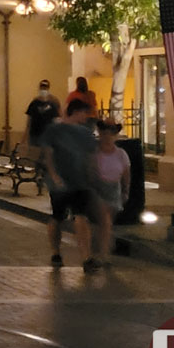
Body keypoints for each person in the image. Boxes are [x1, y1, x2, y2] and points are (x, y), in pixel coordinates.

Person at [39, 98, 102, 272]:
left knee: (81, 216)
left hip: (80, 181)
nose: (86, 117)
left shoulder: (86, 132)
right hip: (60, 183)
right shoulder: (55, 130)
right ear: (75, 112)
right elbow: (49, 155)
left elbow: (91, 157)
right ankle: (56, 252)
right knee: (57, 217)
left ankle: (86, 257)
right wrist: (54, 176)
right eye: (84, 113)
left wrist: (92, 177)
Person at [94, 118, 131, 265]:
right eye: (105, 133)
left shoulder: (121, 154)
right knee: (106, 221)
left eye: (111, 133)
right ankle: (105, 254)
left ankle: (103, 247)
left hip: (114, 188)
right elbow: (91, 170)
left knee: (107, 222)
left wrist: (125, 190)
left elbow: (126, 173)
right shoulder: (95, 153)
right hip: (99, 188)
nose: (108, 136)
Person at [24, 79, 61, 147]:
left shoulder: (54, 102)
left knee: (47, 155)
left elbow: (57, 119)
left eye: (45, 87)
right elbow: (29, 120)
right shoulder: (34, 103)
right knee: (34, 154)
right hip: (35, 135)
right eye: (42, 87)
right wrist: (25, 136)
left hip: (48, 135)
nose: (43, 89)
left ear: (48, 88)